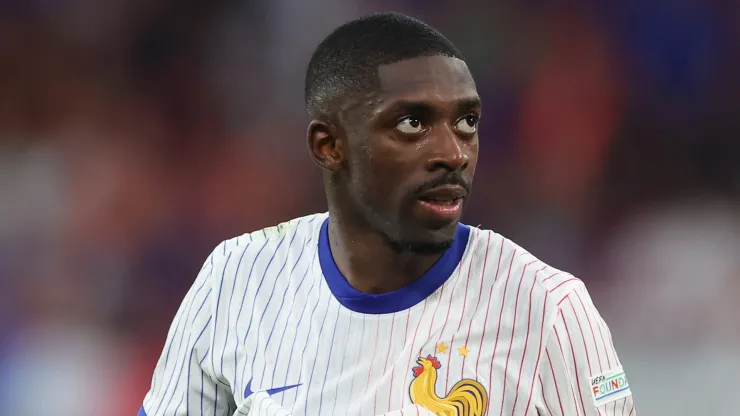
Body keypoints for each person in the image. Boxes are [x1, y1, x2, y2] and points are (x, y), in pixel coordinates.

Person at [138, 12, 635, 416]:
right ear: (329, 145)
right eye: (413, 122)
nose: (453, 152)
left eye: (466, 121)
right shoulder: (236, 280)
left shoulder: (549, 310)